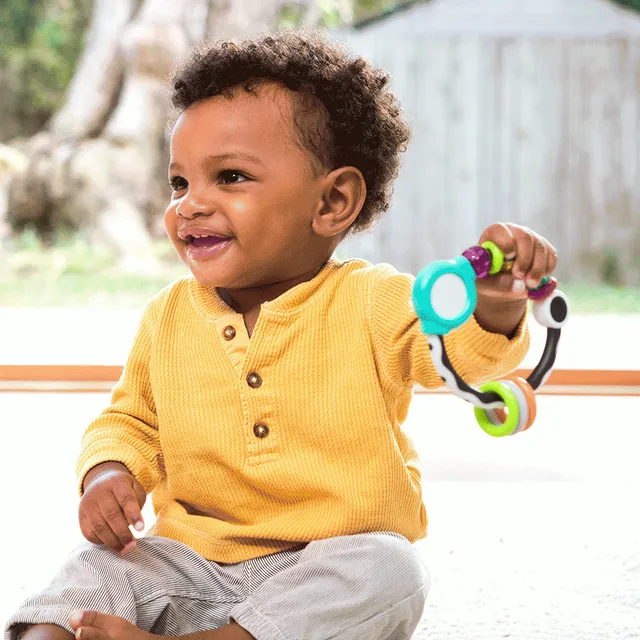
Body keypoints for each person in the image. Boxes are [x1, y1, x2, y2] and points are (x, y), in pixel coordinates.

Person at [5, 30, 556, 640]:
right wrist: (108, 473)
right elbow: (130, 421)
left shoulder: (374, 301)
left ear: (333, 202)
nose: (190, 205)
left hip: (322, 566)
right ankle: (51, 634)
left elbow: (463, 359)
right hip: (186, 562)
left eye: (231, 176)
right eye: (180, 183)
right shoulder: (168, 315)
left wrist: (495, 306)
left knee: (392, 569)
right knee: (98, 566)